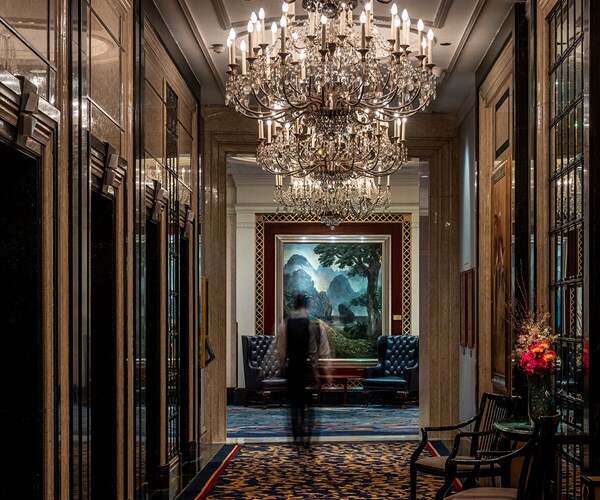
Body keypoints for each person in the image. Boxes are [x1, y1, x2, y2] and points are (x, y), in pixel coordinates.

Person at [275, 293, 331, 447]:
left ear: (294, 305)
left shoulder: (285, 324)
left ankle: (296, 436)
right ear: (306, 305)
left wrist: (280, 367)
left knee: (294, 404)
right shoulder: (314, 325)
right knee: (309, 404)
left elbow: (281, 351)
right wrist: (325, 372)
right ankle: (308, 436)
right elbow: (322, 350)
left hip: (293, 369)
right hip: (308, 370)